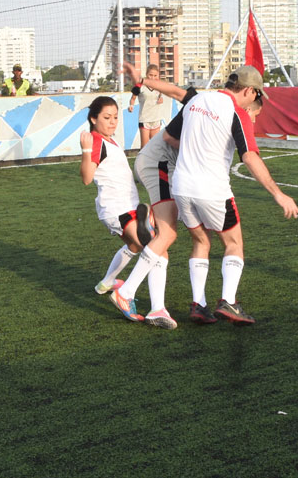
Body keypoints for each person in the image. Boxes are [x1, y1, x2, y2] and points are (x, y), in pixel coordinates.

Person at [111, 61, 266, 330]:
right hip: (158, 163)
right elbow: (172, 126)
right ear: (249, 95)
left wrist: (144, 81)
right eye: (253, 115)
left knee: (194, 238)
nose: (251, 121)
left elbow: (172, 90)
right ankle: (126, 292)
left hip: (168, 168)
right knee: (168, 235)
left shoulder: (202, 101)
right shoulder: (215, 107)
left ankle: (170, 306)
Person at [166, 65, 298, 325]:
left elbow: (170, 137)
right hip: (212, 190)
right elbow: (249, 156)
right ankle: (228, 301)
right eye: (256, 94)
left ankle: (198, 304)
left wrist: (198, 147)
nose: (255, 100)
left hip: (182, 187)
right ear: (249, 90)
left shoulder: (197, 100)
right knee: (234, 244)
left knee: (201, 242)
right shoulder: (236, 112)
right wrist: (278, 194)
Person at [79, 95, 150, 321]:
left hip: (127, 205)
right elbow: (87, 178)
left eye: (115, 117)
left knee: (134, 246)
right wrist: (85, 150)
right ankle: (124, 295)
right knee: (150, 248)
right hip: (116, 209)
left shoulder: (110, 140)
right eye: (107, 117)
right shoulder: (95, 141)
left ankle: (106, 284)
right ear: (93, 118)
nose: (112, 122)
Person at [128, 64, 166, 147]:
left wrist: (161, 98)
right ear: (146, 74)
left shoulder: (159, 85)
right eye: (150, 75)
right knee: (145, 147)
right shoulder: (140, 86)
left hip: (156, 118)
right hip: (145, 119)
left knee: (155, 146)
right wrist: (131, 106)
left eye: (155, 75)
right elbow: (133, 98)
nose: (153, 77)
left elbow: (160, 95)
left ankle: (155, 160)